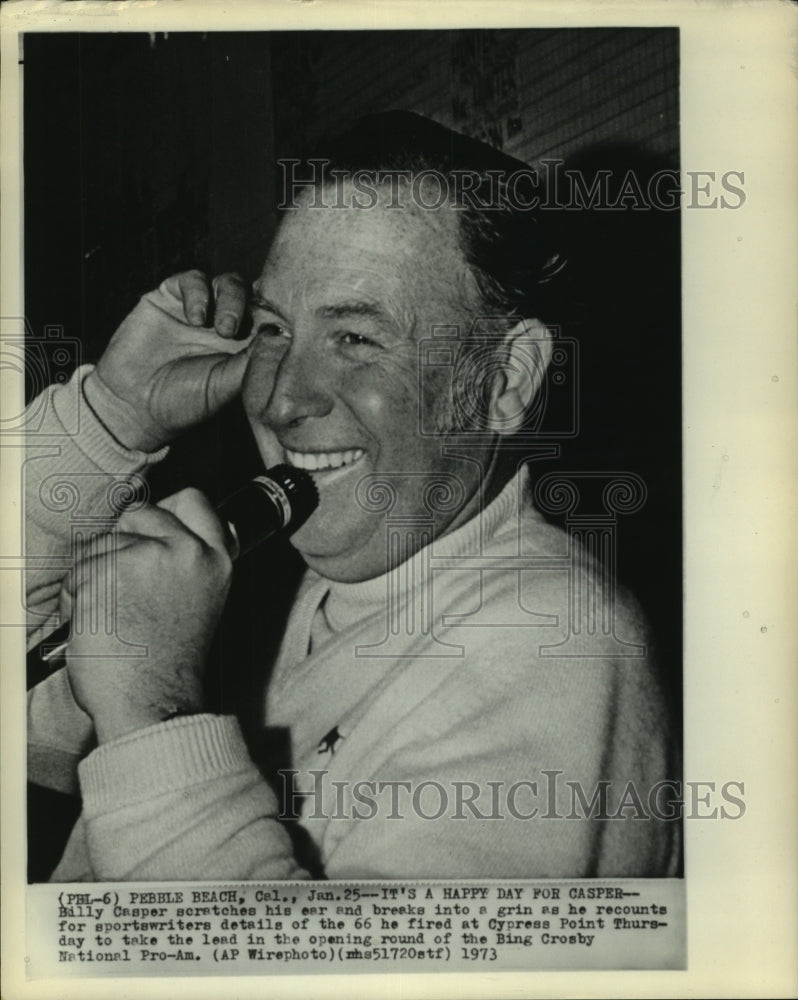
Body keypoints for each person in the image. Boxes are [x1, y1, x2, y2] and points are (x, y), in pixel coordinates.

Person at [26, 111, 679, 881]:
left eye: (357, 339)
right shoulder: (281, 574)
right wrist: (112, 414)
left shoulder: (556, 649)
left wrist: (153, 709)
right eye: (274, 330)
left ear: (505, 380)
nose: (280, 400)